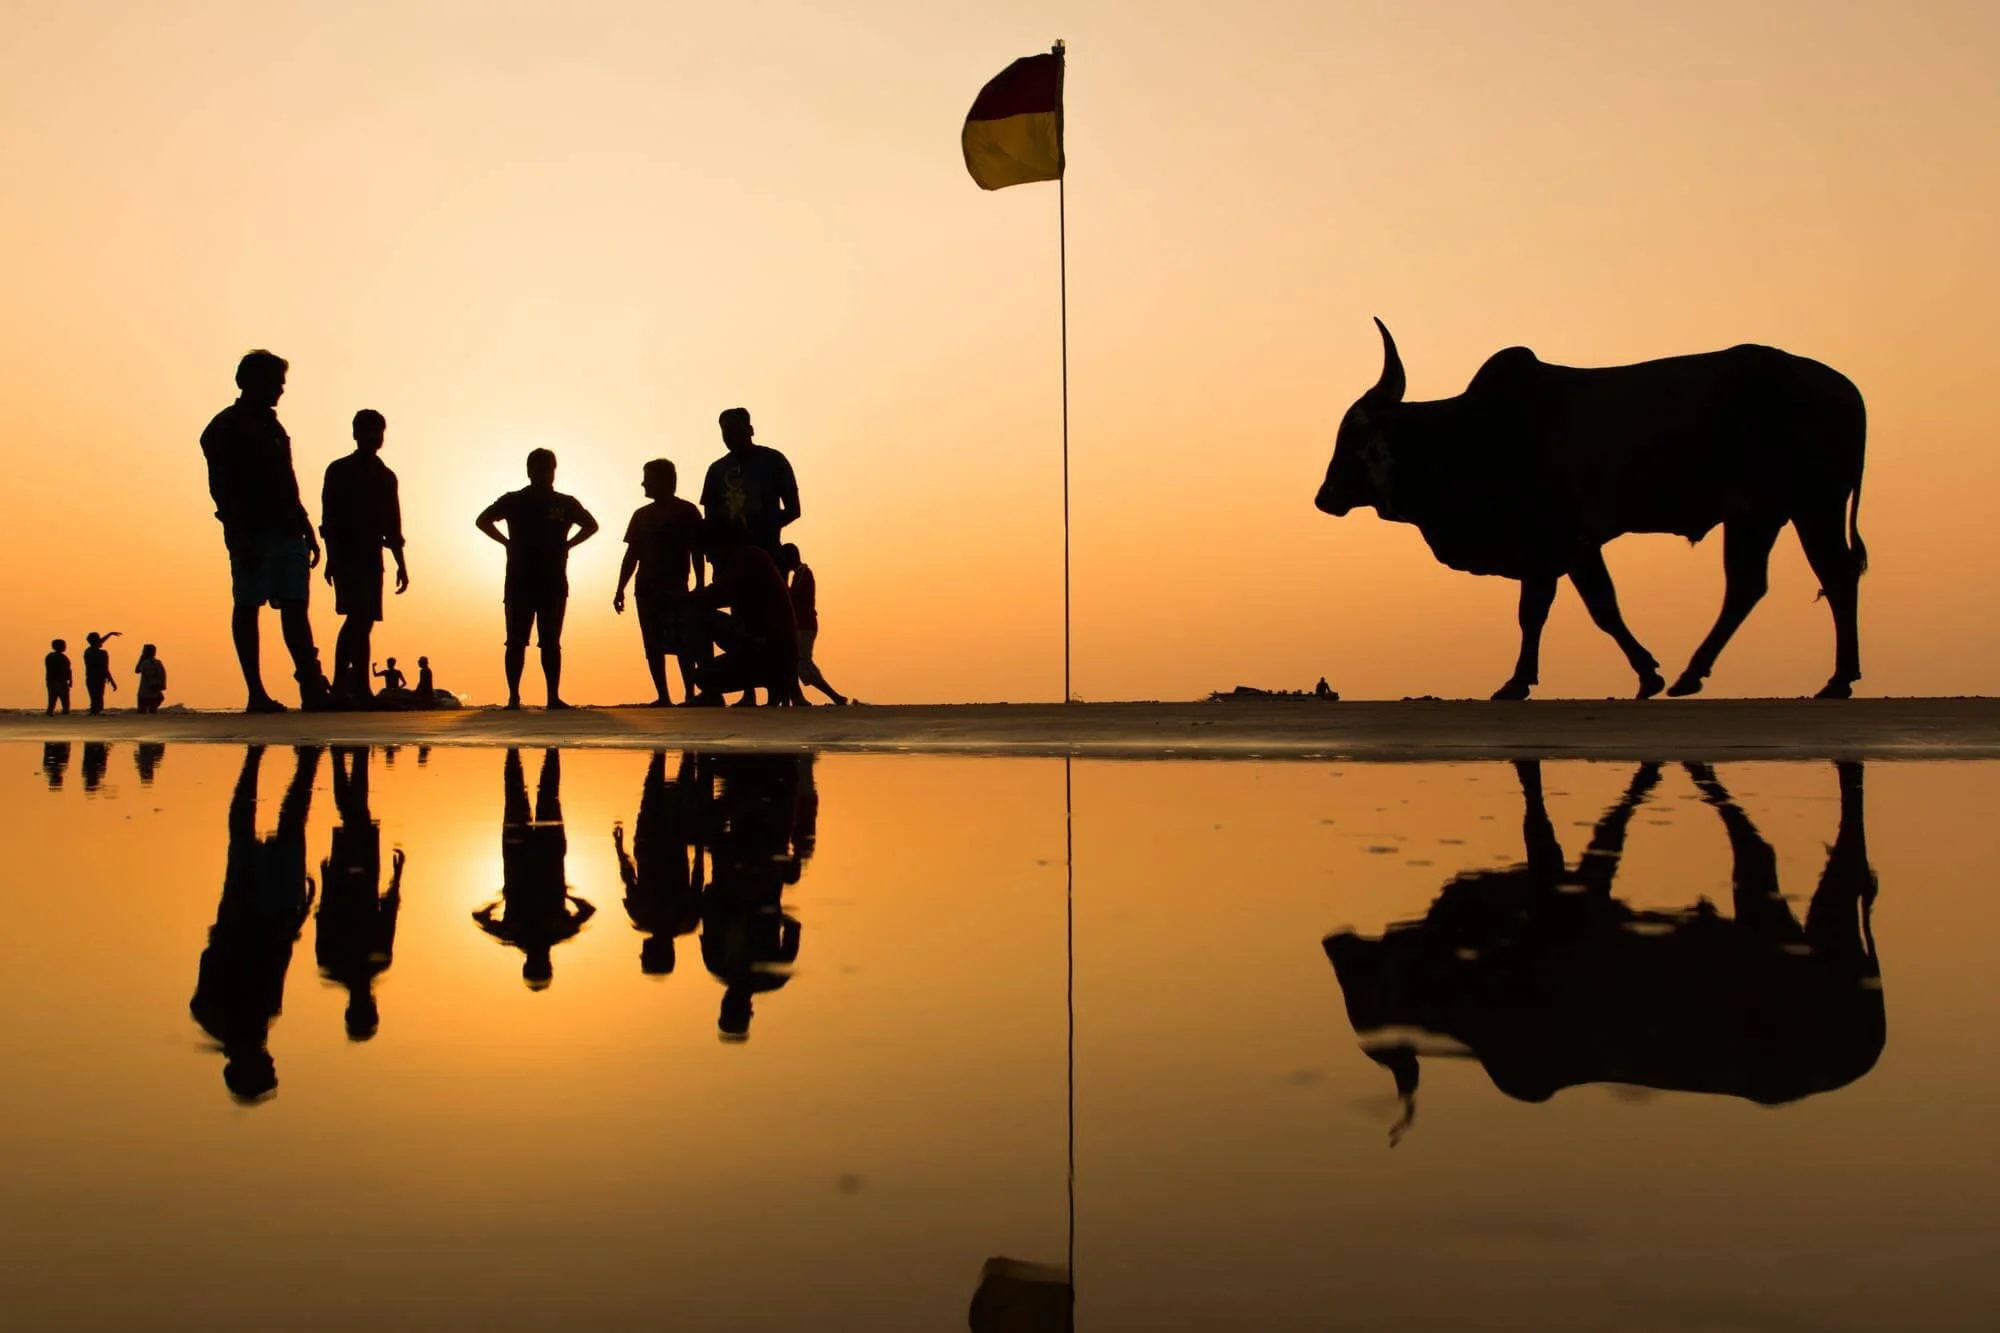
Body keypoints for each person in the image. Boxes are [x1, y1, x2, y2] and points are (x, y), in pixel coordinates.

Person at [199, 350, 331, 713]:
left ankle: (311, 685)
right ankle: (256, 692)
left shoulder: (274, 427)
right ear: (249, 382)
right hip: (251, 531)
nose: (280, 391)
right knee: (248, 606)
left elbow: (288, 480)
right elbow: (221, 487)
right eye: (275, 384)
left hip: (287, 528)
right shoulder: (225, 428)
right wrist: (239, 536)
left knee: (295, 607)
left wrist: (305, 524)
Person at [189, 745, 321, 1103]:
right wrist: (297, 918)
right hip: (267, 915)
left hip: (250, 914)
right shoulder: (235, 1021)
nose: (271, 1057)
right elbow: (276, 963)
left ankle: (263, 760)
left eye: (267, 1065)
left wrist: (253, 929)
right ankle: (298, 762)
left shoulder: (219, 1018)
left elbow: (217, 959)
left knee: (254, 832)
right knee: (283, 829)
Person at [476, 450, 599, 710]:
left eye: (547, 469)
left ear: (554, 471)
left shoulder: (565, 503)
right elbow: (482, 520)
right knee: (515, 641)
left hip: (552, 581)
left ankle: (553, 697)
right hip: (520, 581)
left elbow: (591, 525)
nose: (543, 474)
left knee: (551, 641)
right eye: (538, 469)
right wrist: (506, 542)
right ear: (529, 471)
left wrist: (568, 545)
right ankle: (514, 697)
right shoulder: (514, 500)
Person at [474, 749, 594, 989]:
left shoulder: (558, 932)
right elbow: (479, 916)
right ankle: (515, 752)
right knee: (518, 793)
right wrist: (501, 897)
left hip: (547, 856)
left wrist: (567, 894)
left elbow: (588, 909)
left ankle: (548, 751)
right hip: (520, 857)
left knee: (547, 794)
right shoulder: (512, 934)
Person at [321, 409, 409, 706]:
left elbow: (393, 524)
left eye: (379, 431)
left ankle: (356, 686)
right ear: (356, 434)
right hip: (347, 554)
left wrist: (401, 563)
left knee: (365, 620)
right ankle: (342, 684)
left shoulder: (386, 476)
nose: (374, 437)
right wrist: (332, 558)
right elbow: (329, 518)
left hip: (372, 556)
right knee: (355, 618)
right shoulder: (339, 471)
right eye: (368, 431)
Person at [317, 747, 403, 1041]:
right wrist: (327, 880)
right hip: (352, 882)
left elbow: (387, 913)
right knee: (355, 817)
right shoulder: (332, 965)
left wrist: (397, 878)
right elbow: (325, 917)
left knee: (357, 817)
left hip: (357, 882)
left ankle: (353, 759)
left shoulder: (372, 962)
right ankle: (344, 760)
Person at [614, 459, 707, 705]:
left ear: (664, 480)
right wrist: (620, 589)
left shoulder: (687, 512)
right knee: (652, 643)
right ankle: (663, 695)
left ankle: (690, 692)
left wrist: (700, 584)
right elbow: (632, 555)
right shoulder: (641, 516)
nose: (643, 483)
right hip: (646, 589)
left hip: (676, 590)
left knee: (683, 643)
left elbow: (696, 550)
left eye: (648, 477)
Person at [685, 520, 797, 707]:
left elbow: (714, 595)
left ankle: (712, 693)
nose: (708, 559)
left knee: (699, 620)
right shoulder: (751, 558)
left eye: (708, 552)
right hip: (774, 649)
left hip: (771, 651)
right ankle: (773, 686)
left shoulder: (746, 558)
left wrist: (677, 599)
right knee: (704, 674)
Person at [615, 750, 705, 975]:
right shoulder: (641, 915)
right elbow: (629, 877)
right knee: (655, 785)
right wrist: (619, 849)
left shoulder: (686, 920)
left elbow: (698, 881)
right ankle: (665, 746)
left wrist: (701, 850)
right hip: (650, 843)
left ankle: (685, 743)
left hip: (673, 843)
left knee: (682, 782)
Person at [699, 407, 799, 563]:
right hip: (728, 562)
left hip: (767, 558)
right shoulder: (716, 471)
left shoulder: (773, 461)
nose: (733, 437)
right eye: (727, 433)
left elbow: (794, 510)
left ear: (750, 430)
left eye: (738, 431)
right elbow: (710, 518)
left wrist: (764, 531)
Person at [780, 544, 848, 706]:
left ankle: (835, 696)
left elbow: (795, 595)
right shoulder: (799, 574)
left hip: (805, 624)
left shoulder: (803, 573)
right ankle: (798, 698)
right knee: (798, 662)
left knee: (804, 662)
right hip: (802, 624)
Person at [82, 630, 121, 714]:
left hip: (90, 678)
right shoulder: (102, 653)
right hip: (98, 678)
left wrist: (109, 634)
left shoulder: (87, 651)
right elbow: (105, 668)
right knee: (98, 697)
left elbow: (97, 643)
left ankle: (95, 712)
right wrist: (112, 681)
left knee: (94, 697)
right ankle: (96, 712)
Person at [135, 643, 168, 713]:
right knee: (153, 711)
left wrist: (140, 659)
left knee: (142, 712)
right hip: (155, 692)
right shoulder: (158, 663)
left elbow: (137, 670)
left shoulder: (145, 663)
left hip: (144, 693)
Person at [44, 639, 71, 715]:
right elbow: (67, 670)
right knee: (65, 703)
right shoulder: (63, 658)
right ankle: (64, 714)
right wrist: (69, 680)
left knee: (52, 702)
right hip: (61, 682)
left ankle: (49, 713)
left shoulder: (49, 656)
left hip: (52, 682)